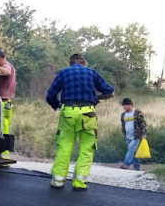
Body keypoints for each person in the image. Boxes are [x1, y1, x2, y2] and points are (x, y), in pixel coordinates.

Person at [45, 53, 115, 190]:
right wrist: (95, 97)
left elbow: (50, 95)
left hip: (68, 112)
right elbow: (110, 92)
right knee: (87, 147)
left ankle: (58, 181)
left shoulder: (64, 73)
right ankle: (79, 182)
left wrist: (58, 105)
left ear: (70, 63)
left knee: (64, 145)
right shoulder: (92, 72)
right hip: (87, 113)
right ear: (84, 63)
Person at [120, 98, 147, 171]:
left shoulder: (137, 113)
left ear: (130, 105)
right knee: (134, 151)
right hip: (127, 136)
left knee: (131, 148)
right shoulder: (123, 115)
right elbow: (123, 125)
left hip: (136, 135)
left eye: (125, 105)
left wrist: (144, 133)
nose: (124, 107)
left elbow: (143, 123)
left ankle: (126, 164)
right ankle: (136, 167)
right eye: (123, 105)